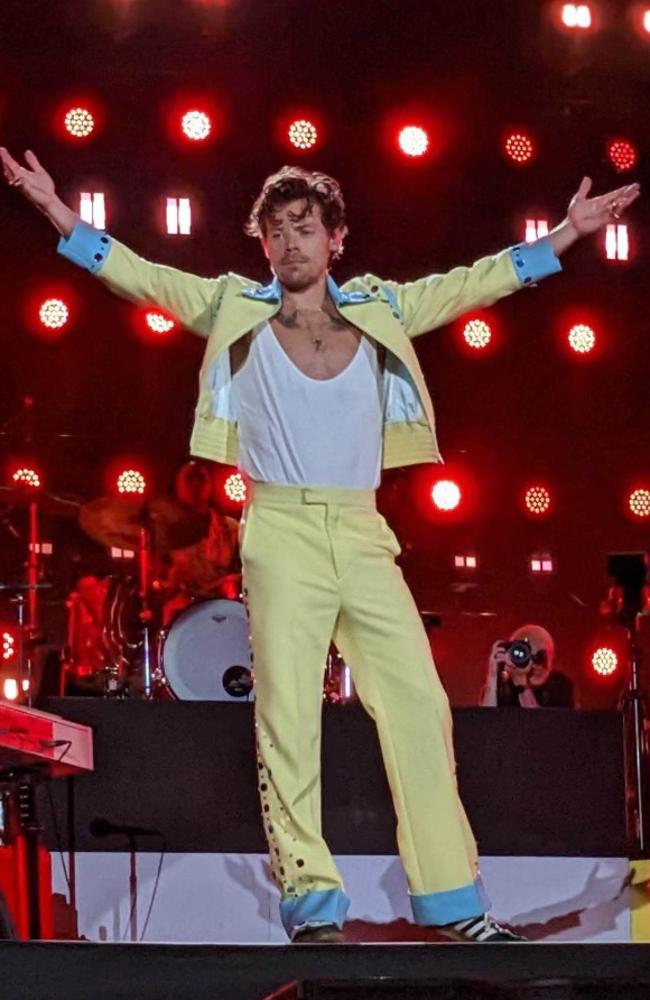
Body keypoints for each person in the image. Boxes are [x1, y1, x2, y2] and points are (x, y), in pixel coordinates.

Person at [1, 147, 638, 944]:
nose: (290, 243)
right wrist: (57, 213)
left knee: (418, 705)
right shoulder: (235, 306)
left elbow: (475, 280)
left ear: (336, 237)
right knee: (288, 717)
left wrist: (567, 235)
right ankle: (311, 902)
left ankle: (450, 900)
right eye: (276, 231)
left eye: (304, 227)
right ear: (260, 243)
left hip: (364, 530)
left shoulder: (380, 308)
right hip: (281, 532)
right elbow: (141, 274)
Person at [158, 460, 240, 626]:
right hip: (181, 610)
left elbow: (244, 572)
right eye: (190, 479)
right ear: (178, 485)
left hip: (222, 607)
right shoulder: (163, 532)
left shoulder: (231, 528)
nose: (195, 484)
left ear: (210, 486)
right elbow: (158, 580)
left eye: (201, 478)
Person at [480, 624, 575, 708]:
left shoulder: (558, 685)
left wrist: (521, 682)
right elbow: (487, 721)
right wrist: (492, 677)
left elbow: (544, 725)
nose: (525, 656)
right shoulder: (502, 683)